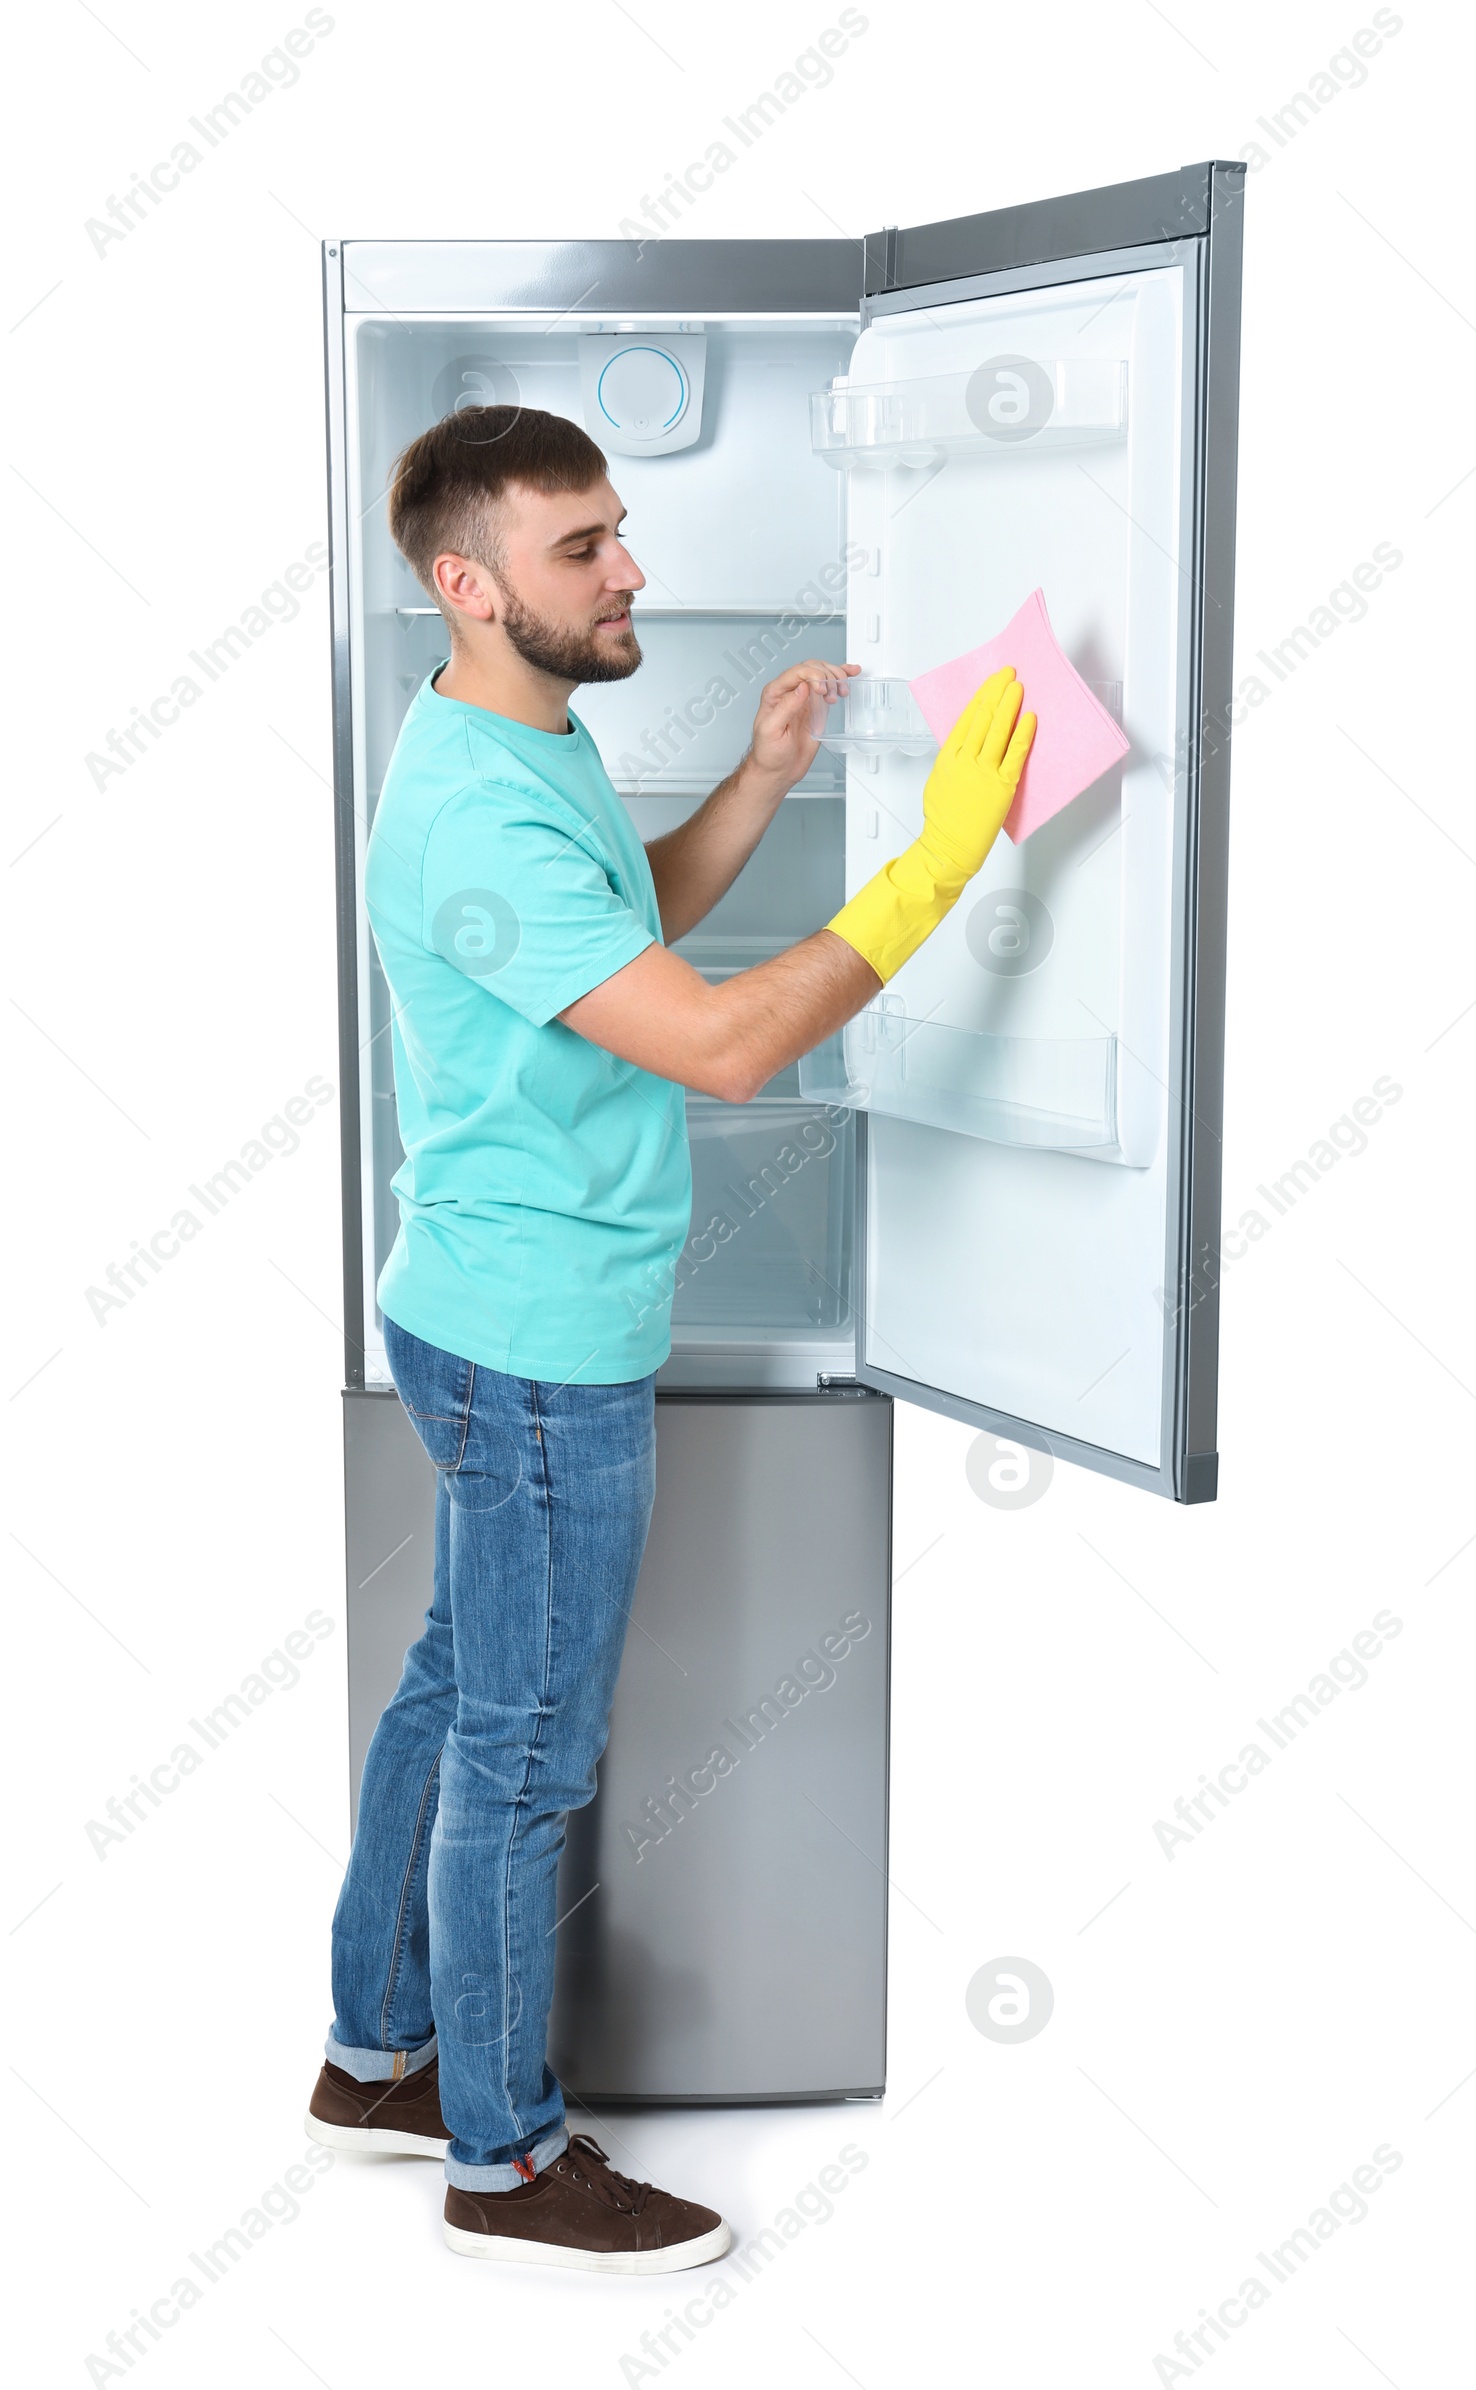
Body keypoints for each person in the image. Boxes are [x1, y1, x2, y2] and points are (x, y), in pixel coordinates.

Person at [305, 404, 1034, 2271]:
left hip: (499, 1311)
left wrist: (768, 779)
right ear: (467, 586)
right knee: (525, 1753)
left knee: (458, 1695)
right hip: (540, 1349)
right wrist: (936, 863)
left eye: (621, 530)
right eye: (582, 549)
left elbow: (629, 936)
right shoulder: (467, 808)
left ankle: (378, 2052)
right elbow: (713, 1041)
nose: (633, 569)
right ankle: (508, 2161)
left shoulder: (519, 733)